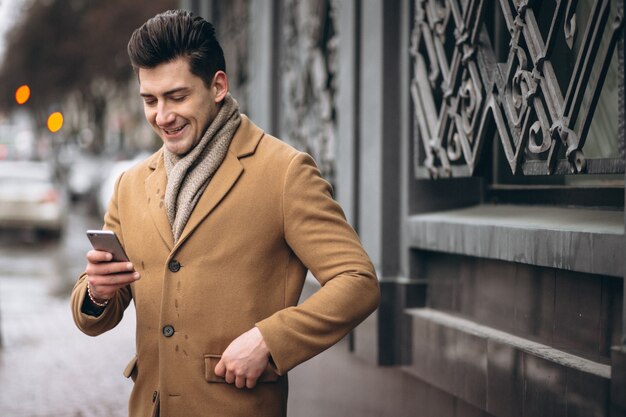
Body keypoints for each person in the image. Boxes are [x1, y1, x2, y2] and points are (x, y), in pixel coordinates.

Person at [71, 9, 379, 417]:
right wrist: (97, 292)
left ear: (217, 86)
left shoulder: (284, 172)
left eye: (177, 97)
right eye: (150, 100)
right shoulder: (130, 185)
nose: (162, 116)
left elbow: (358, 282)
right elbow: (95, 316)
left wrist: (270, 340)